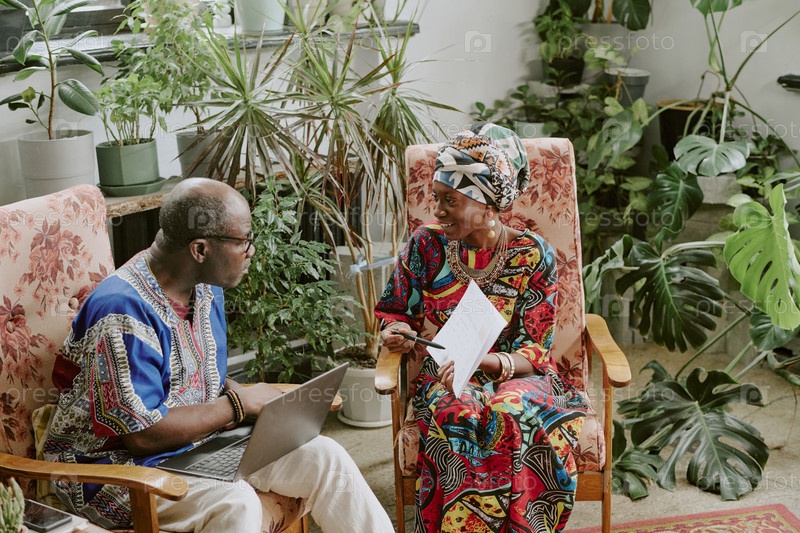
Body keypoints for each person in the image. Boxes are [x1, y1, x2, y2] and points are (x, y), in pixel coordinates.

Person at [43, 178, 394, 533]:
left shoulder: (205, 289)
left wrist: (254, 401)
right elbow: (143, 435)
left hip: (196, 449)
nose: (251, 251)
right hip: (112, 470)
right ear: (200, 249)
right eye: (244, 241)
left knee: (325, 457)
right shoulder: (122, 312)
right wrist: (238, 405)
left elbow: (189, 371)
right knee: (236, 501)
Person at [375, 123, 589, 533]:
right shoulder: (426, 245)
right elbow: (395, 309)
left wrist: (486, 362)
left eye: (450, 200)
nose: (437, 211)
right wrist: (394, 330)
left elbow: (535, 349)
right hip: (449, 373)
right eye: (436, 198)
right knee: (458, 412)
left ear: (487, 205)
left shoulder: (533, 254)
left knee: (510, 410)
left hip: (519, 374)